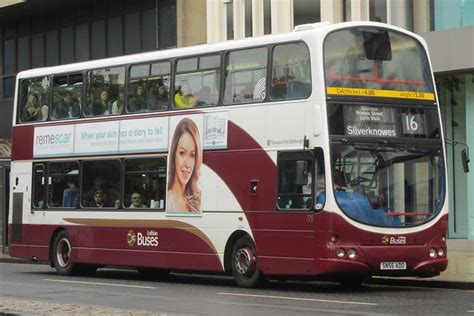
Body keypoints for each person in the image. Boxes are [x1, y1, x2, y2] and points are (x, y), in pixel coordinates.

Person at [167, 118, 202, 213]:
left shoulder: (197, 201)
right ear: (174, 155)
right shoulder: (168, 201)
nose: (187, 164)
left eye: (192, 155)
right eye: (182, 153)